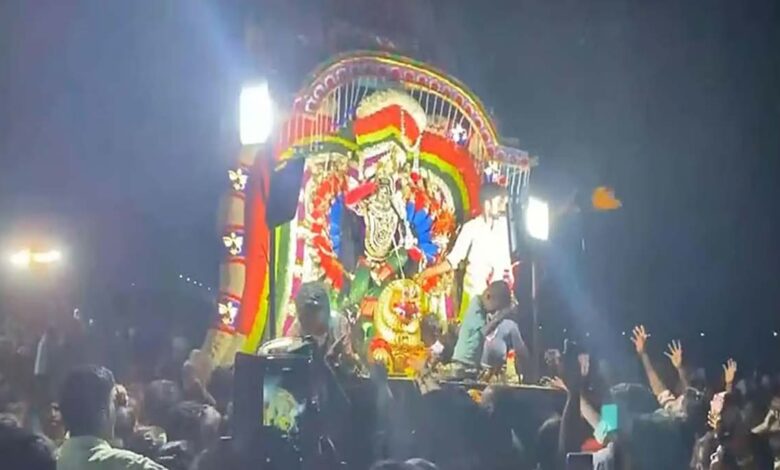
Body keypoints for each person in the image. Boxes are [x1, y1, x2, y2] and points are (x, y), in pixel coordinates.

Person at [417, 182, 513, 319]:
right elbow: (452, 261)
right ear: (487, 204)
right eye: (499, 203)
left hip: (500, 301)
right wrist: (426, 274)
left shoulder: (505, 227)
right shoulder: (471, 228)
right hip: (475, 298)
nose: (503, 207)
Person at [57, 365, 167, 470]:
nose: (117, 409)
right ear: (103, 411)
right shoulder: (128, 465)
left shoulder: (54, 459)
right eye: (114, 402)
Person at [450, 281, 529, 378]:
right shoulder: (476, 304)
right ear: (488, 296)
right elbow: (484, 331)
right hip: (463, 363)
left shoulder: (483, 309)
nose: (494, 312)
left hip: (472, 364)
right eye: (495, 309)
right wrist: (502, 315)